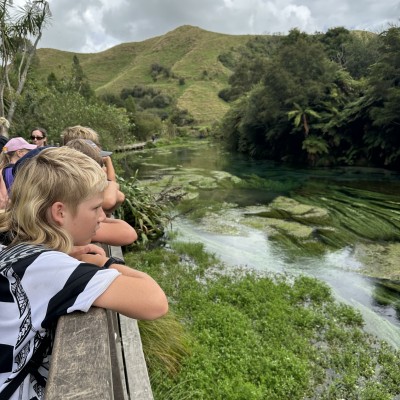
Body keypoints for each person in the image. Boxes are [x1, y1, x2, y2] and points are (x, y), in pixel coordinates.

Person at [0, 146, 168, 399]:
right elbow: (154, 301)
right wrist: (102, 262)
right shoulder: (46, 268)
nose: (102, 217)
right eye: (95, 208)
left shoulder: (16, 248)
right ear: (60, 212)